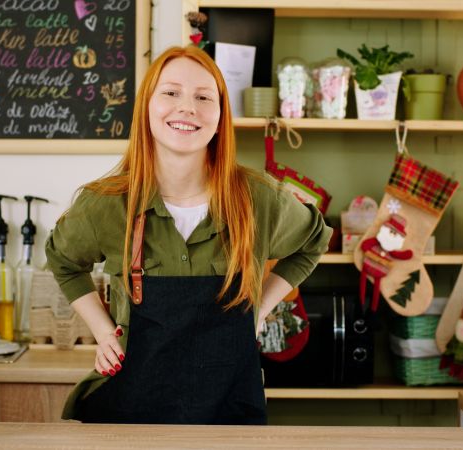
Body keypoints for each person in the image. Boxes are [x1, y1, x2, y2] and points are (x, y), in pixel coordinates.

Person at [45, 45, 332, 424]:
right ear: (147, 106)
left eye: (203, 97)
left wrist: (260, 310)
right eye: (171, 93)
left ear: (219, 117)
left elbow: (314, 241)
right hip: (126, 416)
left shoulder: (261, 199)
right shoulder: (105, 205)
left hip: (228, 417)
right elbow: (63, 260)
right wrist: (103, 332)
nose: (187, 107)